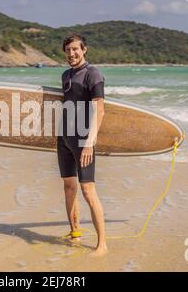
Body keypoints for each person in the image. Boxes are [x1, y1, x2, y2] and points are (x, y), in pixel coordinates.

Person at [57, 34, 108, 256]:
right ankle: (75, 231)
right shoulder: (66, 74)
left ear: (84, 49)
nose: (71, 54)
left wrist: (89, 143)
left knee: (88, 190)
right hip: (64, 138)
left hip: (83, 139)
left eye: (75, 49)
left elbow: (99, 109)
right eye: (68, 50)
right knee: (69, 186)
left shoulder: (92, 73)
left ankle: (102, 245)